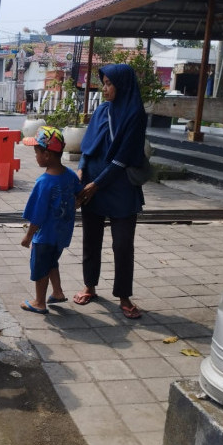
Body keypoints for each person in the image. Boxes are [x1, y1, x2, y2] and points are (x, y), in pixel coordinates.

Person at [74, 63, 146, 319]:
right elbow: (88, 147)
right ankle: (89, 286)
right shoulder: (102, 110)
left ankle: (124, 296)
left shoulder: (135, 114)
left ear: (122, 84)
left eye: (108, 84)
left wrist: (96, 184)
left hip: (120, 187)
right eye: (103, 83)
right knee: (90, 239)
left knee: (122, 244)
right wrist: (82, 172)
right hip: (93, 182)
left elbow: (123, 158)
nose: (104, 89)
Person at [20, 126, 82, 315]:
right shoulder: (70, 175)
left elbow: (37, 215)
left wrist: (28, 237)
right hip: (62, 234)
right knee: (52, 261)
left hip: (44, 236)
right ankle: (58, 292)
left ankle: (39, 302)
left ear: (46, 154)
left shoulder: (44, 182)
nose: (36, 157)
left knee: (40, 269)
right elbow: (79, 196)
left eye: (37, 152)